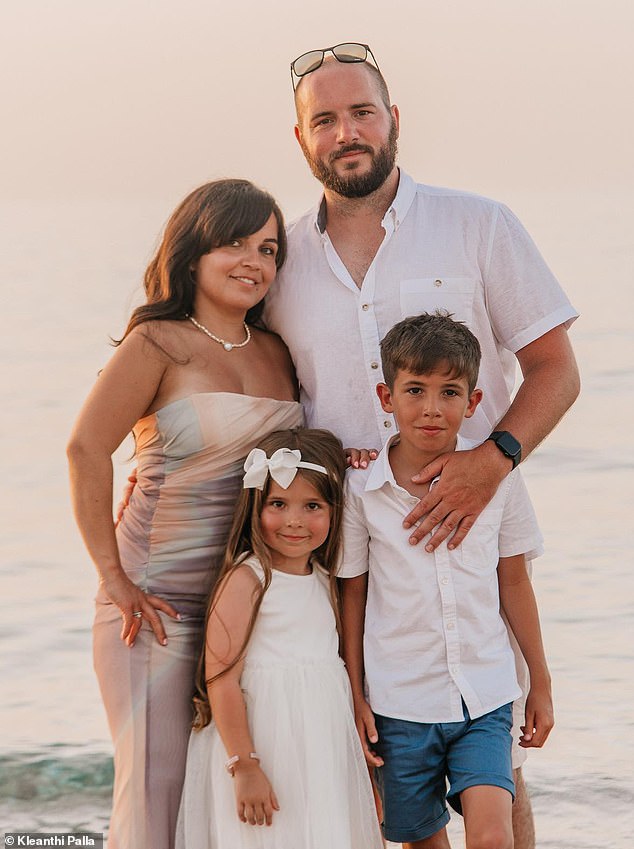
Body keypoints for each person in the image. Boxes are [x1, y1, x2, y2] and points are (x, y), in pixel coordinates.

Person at [264, 42, 580, 848]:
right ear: (301, 139)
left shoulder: (478, 225)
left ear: (393, 120)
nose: (346, 132)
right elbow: (252, 387)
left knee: (496, 771)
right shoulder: (281, 264)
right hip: (345, 552)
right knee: (374, 771)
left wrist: (493, 457)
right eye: (324, 120)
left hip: (472, 530)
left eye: (361, 112)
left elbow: (555, 368)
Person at [67, 179, 303, 849]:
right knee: (154, 797)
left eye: (268, 247)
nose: (253, 261)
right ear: (194, 248)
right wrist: (114, 577)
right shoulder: (158, 343)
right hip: (155, 610)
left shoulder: (279, 351)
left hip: (248, 610)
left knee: (221, 809)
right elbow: (86, 449)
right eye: (234, 243)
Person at [340, 312, 554, 849]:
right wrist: (355, 692)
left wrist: (541, 683)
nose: (432, 408)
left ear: (474, 402)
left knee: (491, 838)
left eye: (449, 392)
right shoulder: (362, 491)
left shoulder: (501, 485)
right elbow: (354, 594)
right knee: (422, 843)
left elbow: (515, 585)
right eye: (415, 390)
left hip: (484, 695)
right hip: (400, 702)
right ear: (386, 397)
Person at [175, 427, 383, 849]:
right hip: (261, 744)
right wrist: (244, 765)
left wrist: (357, 770)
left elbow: (333, 674)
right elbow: (222, 678)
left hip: (321, 745)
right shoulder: (248, 578)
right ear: (256, 504)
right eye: (278, 504)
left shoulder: (327, 581)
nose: (294, 521)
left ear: (335, 509)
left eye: (312, 506)